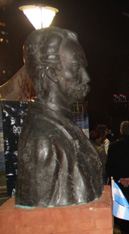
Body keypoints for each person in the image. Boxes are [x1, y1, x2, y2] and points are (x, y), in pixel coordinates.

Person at [16, 27, 102, 207]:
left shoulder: (62, 127)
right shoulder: (43, 141)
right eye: (77, 66)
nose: (86, 77)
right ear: (51, 73)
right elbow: (40, 224)